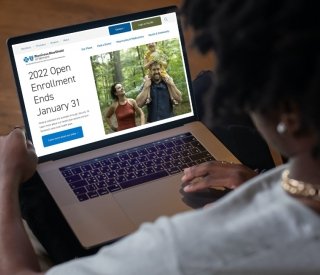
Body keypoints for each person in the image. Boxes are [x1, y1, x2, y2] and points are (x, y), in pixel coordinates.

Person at [2, 0, 320, 274]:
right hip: (189, 155)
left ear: (288, 116)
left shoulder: (175, 251)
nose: (240, 96)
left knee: (35, 188)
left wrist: (6, 175)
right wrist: (261, 184)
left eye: (244, 85)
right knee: (206, 89)